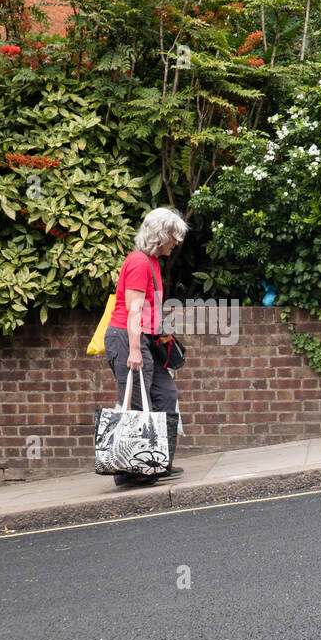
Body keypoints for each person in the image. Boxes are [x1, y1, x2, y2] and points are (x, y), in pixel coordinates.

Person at [103, 207, 189, 487]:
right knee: (138, 403)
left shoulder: (152, 262)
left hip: (145, 339)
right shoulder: (140, 262)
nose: (176, 242)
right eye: (174, 236)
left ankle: (158, 461)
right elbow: (134, 310)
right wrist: (135, 349)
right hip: (128, 337)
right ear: (161, 235)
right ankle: (132, 469)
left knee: (166, 394)